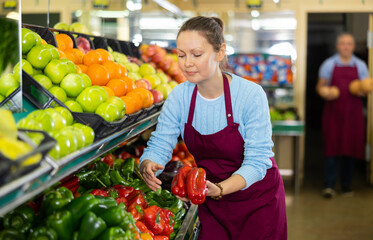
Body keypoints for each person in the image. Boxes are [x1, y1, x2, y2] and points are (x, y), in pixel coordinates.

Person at [139, 16, 287, 240]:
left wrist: (220, 189)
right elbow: (160, 143)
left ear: (220, 53)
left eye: (197, 54)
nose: (187, 63)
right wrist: (149, 163)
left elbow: (258, 162)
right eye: (181, 54)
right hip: (211, 199)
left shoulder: (249, 95)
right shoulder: (180, 97)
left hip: (257, 201)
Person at [316, 33, 369, 199]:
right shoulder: (328, 64)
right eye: (343, 44)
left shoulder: (361, 66)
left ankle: (346, 185)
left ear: (353, 47)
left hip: (353, 114)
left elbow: (365, 87)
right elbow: (320, 86)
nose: (346, 47)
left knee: (350, 148)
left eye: (349, 44)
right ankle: (329, 185)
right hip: (333, 113)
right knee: (332, 148)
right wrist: (325, 92)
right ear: (337, 46)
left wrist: (361, 90)